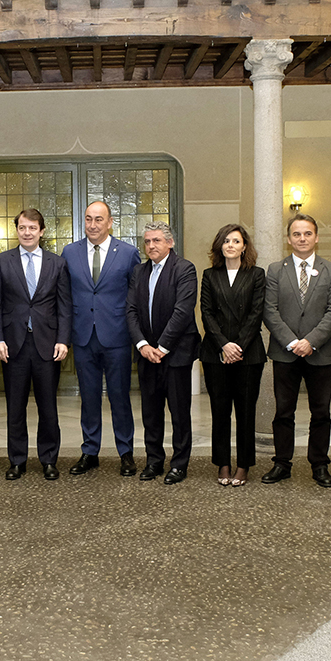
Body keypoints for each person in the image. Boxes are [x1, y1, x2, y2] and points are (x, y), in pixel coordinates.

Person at [0, 208, 72, 481]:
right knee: (15, 407)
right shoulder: (1, 261)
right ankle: (17, 461)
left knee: (48, 407)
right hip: (13, 346)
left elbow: (65, 306)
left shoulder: (57, 263)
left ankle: (49, 460)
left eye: (32, 228)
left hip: (48, 345)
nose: (27, 232)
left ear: (41, 231)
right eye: (22, 227)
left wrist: (63, 340)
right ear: (17, 230)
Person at [61, 201, 142, 476]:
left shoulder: (128, 253)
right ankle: (89, 451)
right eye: (88, 219)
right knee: (88, 397)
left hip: (117, 336)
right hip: (83, 336)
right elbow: (65, 295)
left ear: (110, 222)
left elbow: (135, 296)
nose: (92, 225)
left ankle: (126, 452)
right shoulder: (69, 252)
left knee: (120, 397)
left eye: (98, 220)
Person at [261, 215, 331, 487]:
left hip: (320, 353)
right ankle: (282, 463)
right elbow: (269, 310)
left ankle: (319, 465)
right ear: (288, 239)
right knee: (284, 412)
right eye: (297, 234)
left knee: (321, 412)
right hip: (285, 353)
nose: (302, 238)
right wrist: (292, 342)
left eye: (308, 233)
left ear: (317, 237)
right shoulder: (275, 270)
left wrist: (311, 341)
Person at [126, 221, 200, 485]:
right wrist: (143, 345)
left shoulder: (184, 269)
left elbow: (183, 311)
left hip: (176, 354)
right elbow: (131, 311)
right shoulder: (139, 271)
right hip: (147, 355)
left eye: (156, 240)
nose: (151, 246)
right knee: (151, 413)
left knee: (180, 413)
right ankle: (154, 461)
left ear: (170, 243)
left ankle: (179, 464)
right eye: (147, 241)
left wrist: (162, 347)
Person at [200, 224, 266, 487]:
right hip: (215, 353)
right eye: (225, 241)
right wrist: (224, 345)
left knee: (246, 412)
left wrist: (237, 346)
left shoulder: (256, 275)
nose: (230, 245)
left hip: (248, 354)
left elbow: (256, 313)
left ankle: (243, 466)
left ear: (244, 246)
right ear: (220, 246)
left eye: (235, 241)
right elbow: (206, 313)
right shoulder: (209, 275)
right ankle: (223, 464)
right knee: (219, 411)